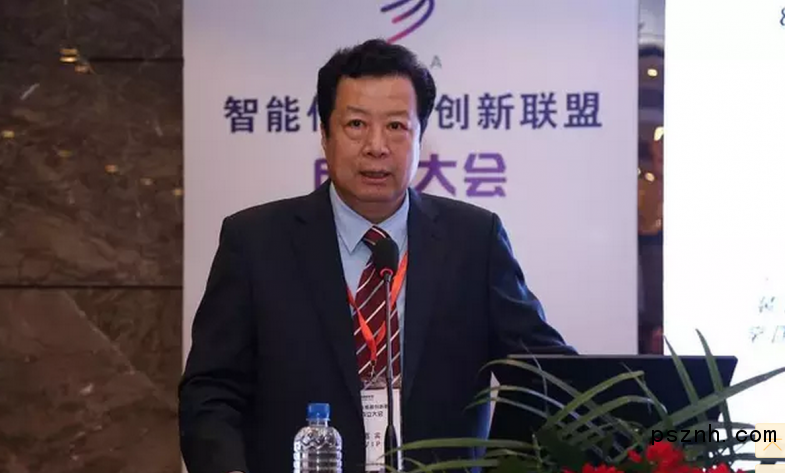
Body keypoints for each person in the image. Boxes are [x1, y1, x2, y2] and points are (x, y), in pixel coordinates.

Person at [178, 38, 576, 473]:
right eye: (356, 124)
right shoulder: (256, 242)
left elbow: (544, 375)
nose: (376, 146)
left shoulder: (474, 240)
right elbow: (211, 391)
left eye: (396, 126)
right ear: (325, 135)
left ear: (421, 136)